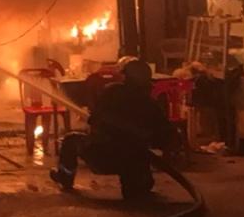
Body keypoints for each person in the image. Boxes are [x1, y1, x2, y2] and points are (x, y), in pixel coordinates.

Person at [50, 58, 172, 199]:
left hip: (103, 155)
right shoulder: (150, 105)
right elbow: (165, 136)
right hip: (134, 159)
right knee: (136, 191)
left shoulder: (112, 92)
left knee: (70, 140)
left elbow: (96, 118)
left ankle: (65, 177)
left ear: (126, 77)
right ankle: (140, 181)